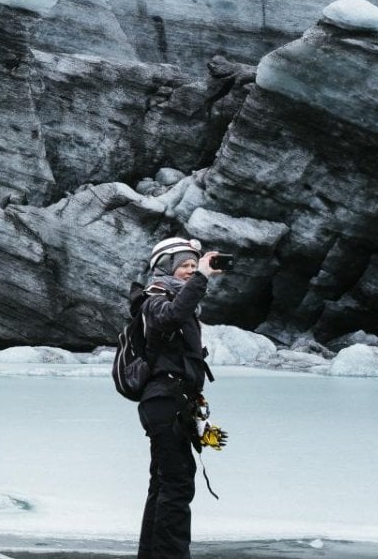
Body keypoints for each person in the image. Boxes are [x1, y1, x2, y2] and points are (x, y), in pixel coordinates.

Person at [136, 238, 224, 558]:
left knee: (163, 485)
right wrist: (200, 277)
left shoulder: (177, 300)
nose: (190, 270)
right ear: (165, 266)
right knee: (177, 485)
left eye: (193, 264)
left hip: (176, 403)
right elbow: (171, 316)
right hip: (163, 402)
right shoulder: (154, 297)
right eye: (184, 265)